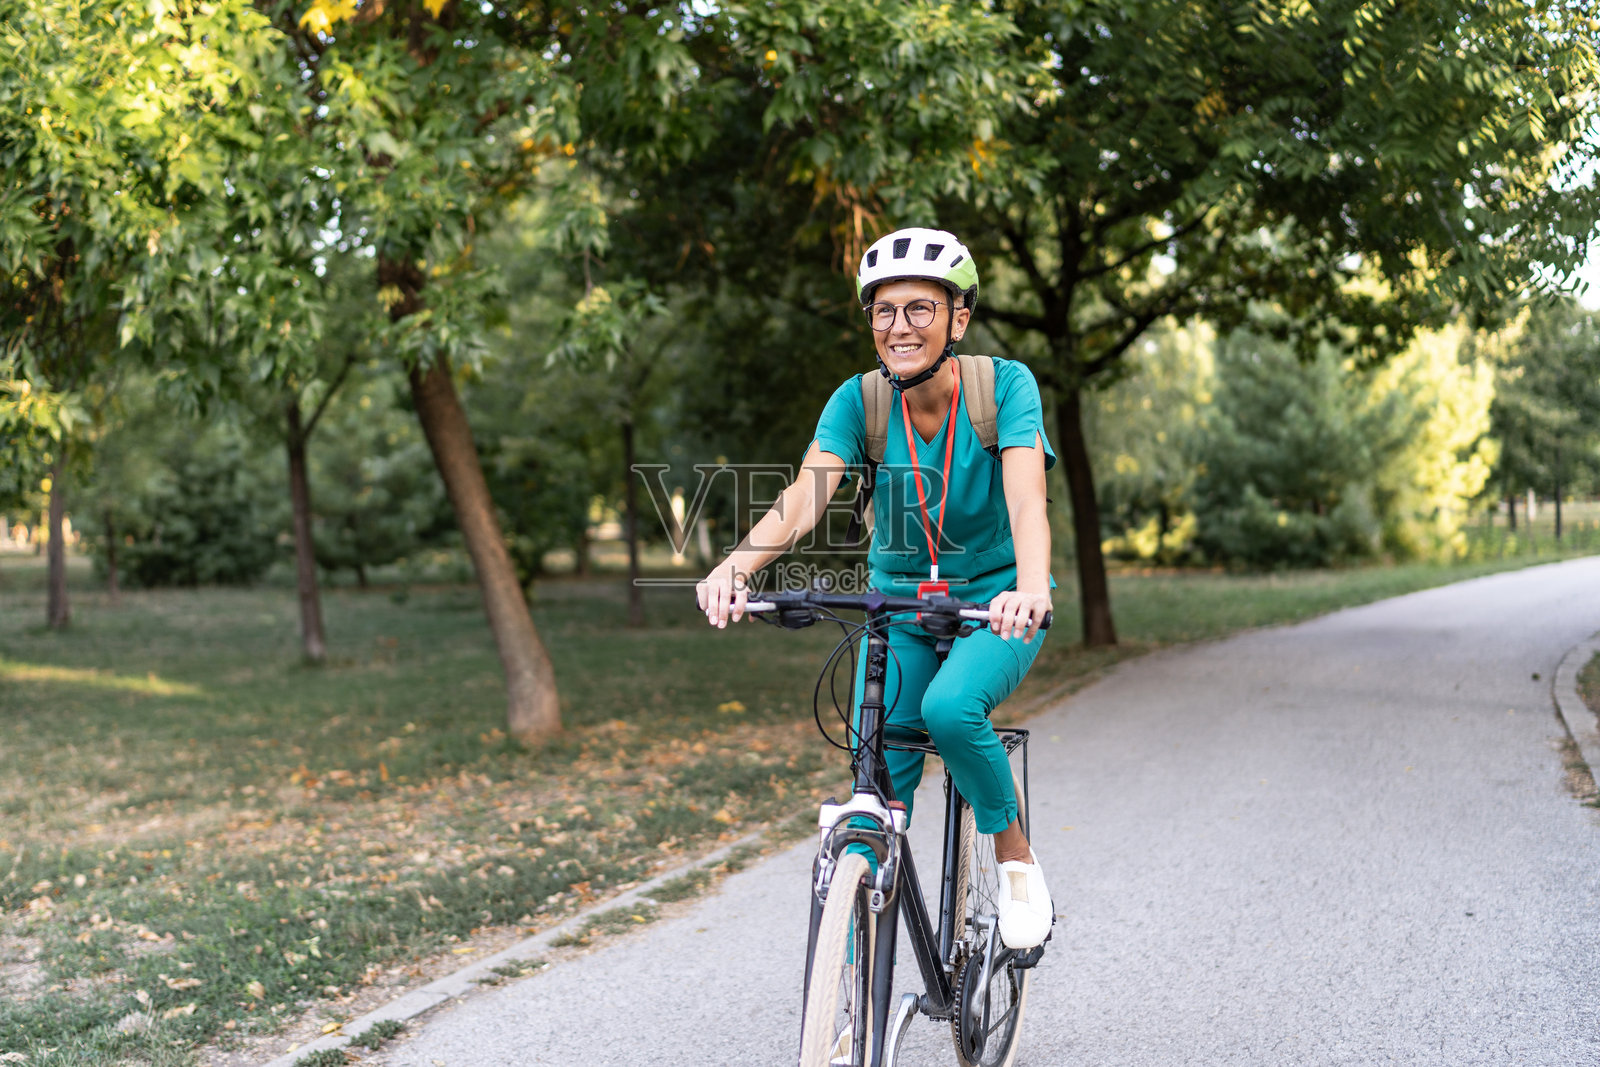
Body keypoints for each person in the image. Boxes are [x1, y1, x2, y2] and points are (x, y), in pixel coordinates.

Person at [695, 227, 1056, 949]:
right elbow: (804, 497)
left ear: (958, 317)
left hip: (996, 602)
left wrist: (1028, 586)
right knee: (874, 773)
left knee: (950, 710)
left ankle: (1015, 858)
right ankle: (850, 971)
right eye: (884, 311)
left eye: (920, 309)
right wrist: (737, 565)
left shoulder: (1004, 387)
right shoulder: (859, 403)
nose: (900, 327)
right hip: (898, 608)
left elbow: (1026, 501)